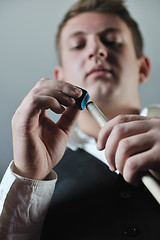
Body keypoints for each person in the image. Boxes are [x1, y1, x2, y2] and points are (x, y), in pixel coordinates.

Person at [1, 0, 160, 239]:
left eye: (112, 41)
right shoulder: (37, 171)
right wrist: (27, 178)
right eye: (78, 45)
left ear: (143, 68)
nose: (96, 50)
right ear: (60, 76)